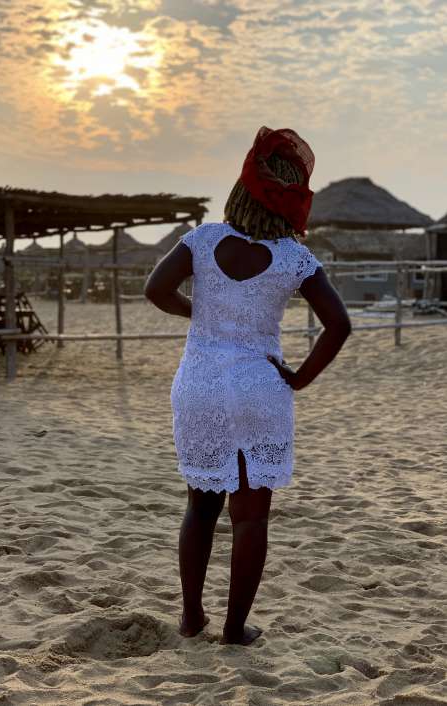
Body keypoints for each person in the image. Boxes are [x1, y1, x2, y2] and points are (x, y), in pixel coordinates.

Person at [144, 126, 351, 646]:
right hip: (260, 385)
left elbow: (155, 290)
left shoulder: (204, 239)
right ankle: (236, 628)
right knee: (251, 517)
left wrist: (200, 314)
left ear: (240, 189)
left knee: (200, 506)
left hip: (202, 381)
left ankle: (192, 617)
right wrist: (300, 378)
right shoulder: (294, 258)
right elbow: (339, 325)